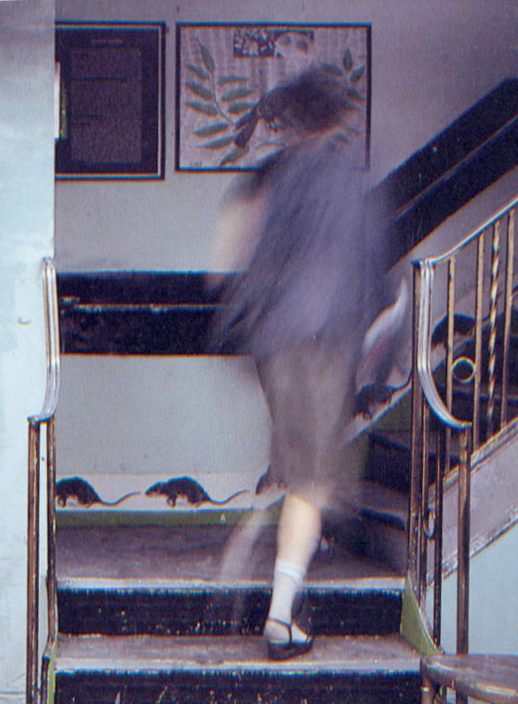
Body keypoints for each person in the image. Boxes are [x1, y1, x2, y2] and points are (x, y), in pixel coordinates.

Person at [208, 66, 401, 660]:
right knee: (312, 480)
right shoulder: (345, 182)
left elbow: (228, 263)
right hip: (321, 340)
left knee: (303, 468)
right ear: (338, 118)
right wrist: (383, 346)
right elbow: (372, 273)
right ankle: (279, 614)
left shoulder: (272, 177)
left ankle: (281, 541)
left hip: (273, 343)